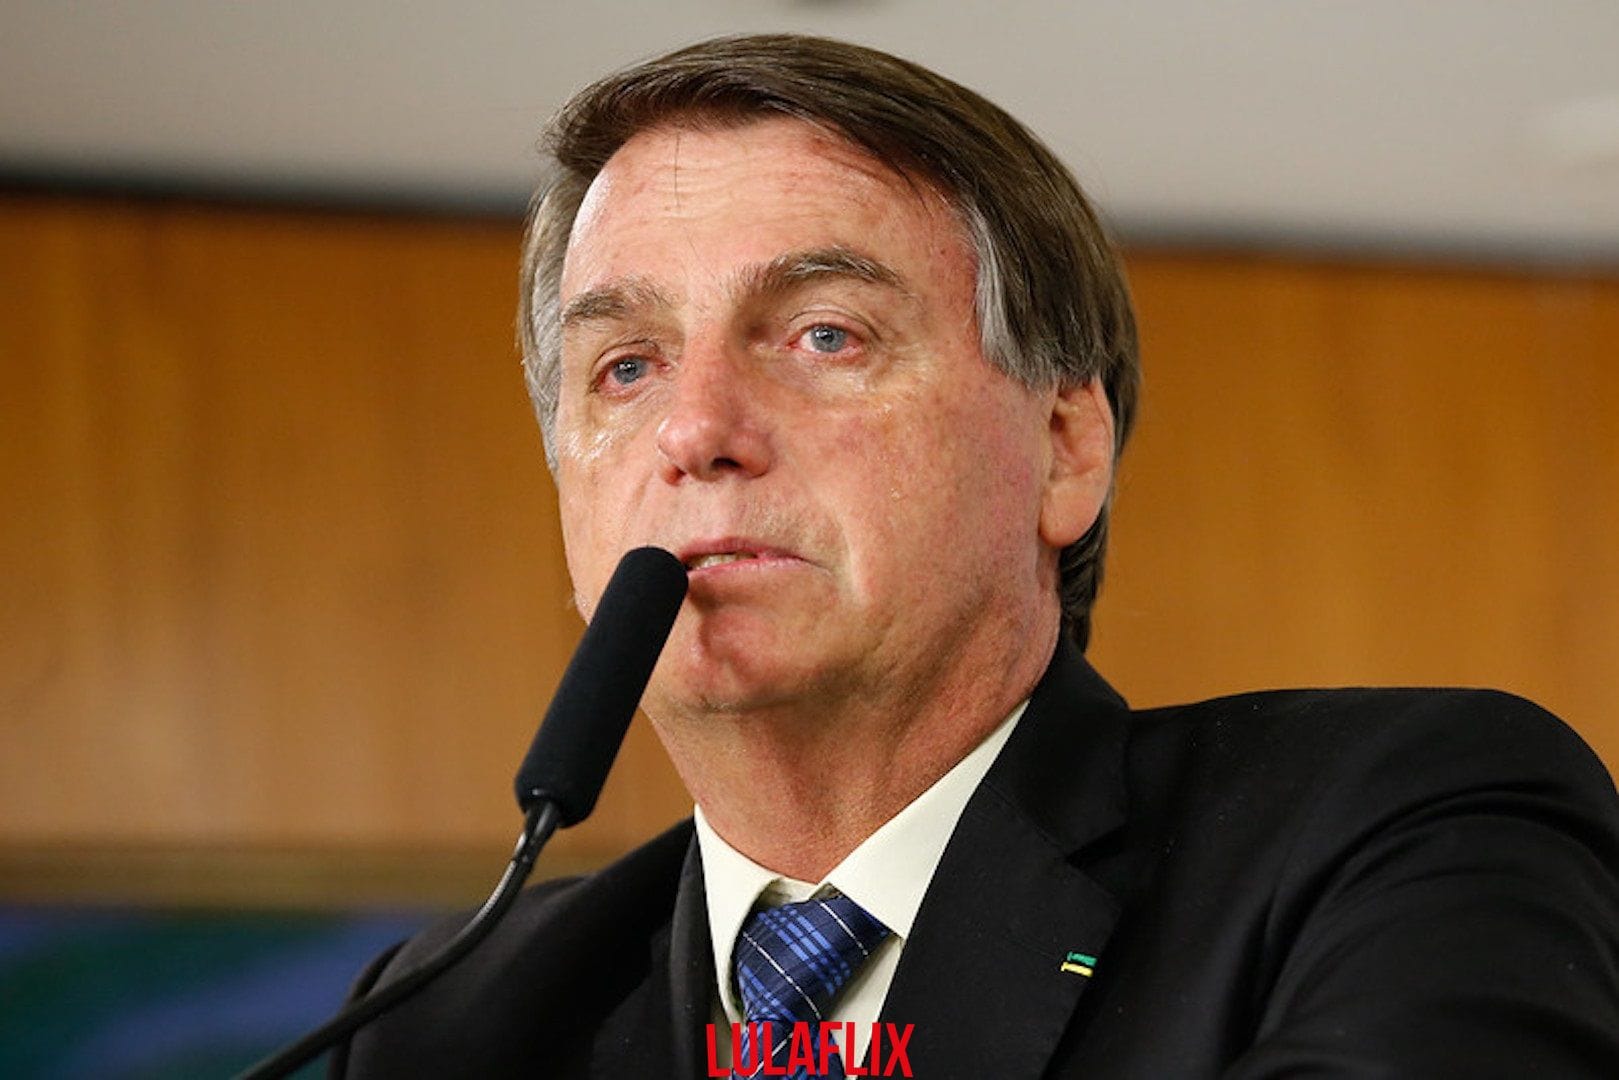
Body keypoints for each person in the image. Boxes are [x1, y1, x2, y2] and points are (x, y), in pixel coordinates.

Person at [335, 34, 1619, 1078]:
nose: (695, 429)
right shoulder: (445, 1019)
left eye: (825, 335)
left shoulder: (1395, 823)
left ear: (1064, 447)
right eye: (626, 366)